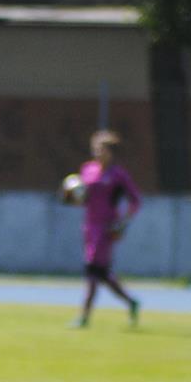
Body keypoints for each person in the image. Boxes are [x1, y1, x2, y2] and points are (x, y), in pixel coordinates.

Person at [69, 130, 142, 329]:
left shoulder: (118, 175)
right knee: (102, 273)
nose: (98, 153)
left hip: (107, 228)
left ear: (110, 152)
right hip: (89, 226)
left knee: (92, 269)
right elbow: (82, 198)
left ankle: (84, 317)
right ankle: (131, 302)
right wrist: (72, 196)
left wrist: (124, 221)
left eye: (102, 149)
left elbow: (135, 200)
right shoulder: (87, 170)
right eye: (96, 149)